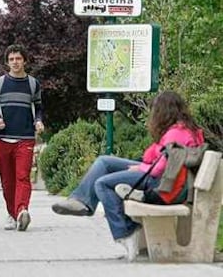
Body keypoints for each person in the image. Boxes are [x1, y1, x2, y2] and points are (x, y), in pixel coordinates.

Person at [51, 91, 204, 260]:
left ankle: (126, 231)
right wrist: (141, 165)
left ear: (164, 111)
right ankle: (82, 201)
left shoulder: (176, 134)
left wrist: (138, 169)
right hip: (166, 177)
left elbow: (159, 169)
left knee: (102, 184)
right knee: (104, 162)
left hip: (161, 182)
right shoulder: (184, 129)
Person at [0, 44, 44, 231]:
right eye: (11, 59)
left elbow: (39, 108)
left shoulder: (33, 84)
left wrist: (39, 121)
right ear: (7, 62)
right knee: (7, 181)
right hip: (2, 139)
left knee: (22, 177)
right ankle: (12, 213)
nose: (15, 62)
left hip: (25, 138)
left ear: (24, 60)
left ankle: (22, 210)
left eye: (18, 58)